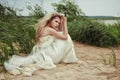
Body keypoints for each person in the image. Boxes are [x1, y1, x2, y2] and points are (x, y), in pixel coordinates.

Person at [4, 12, 80, 76]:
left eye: (59, 22)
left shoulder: (43, 28)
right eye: (56, 21)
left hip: (44, 52)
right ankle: (69, 59)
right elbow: (65, 37)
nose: (57, 24)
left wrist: (62, 21)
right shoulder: (50, 30)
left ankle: (68, 58)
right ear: (50, 20)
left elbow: (60, 31)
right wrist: (65, 22)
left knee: (62, 35)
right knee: (68, 37)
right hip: (49, 54)